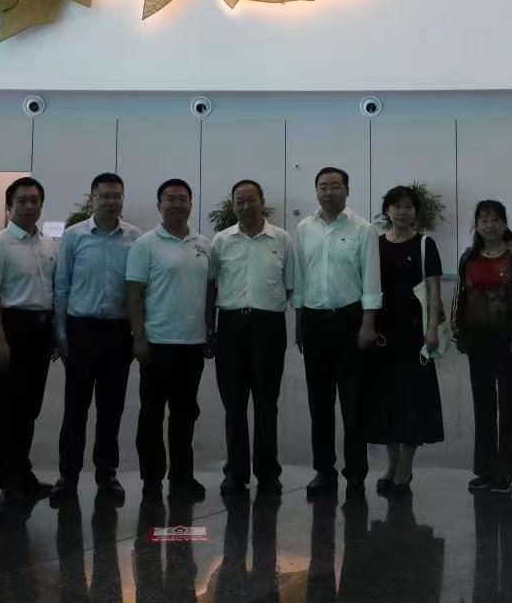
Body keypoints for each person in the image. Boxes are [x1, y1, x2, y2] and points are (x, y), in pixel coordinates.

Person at [291, 166, 381, 500]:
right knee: (320, 402)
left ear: (347, 190)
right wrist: (299, 321)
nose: (328, 192)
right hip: (314, 321)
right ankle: (324, 470)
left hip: (350, 321)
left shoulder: (363, 230)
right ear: (316, 190)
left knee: (354, 403)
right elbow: (300, 277)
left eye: (335, 186)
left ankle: (356, 474)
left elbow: (371, 279)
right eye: (322, 186)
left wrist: (368, 323)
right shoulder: (304, 228)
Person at [52, 172, 139, 503]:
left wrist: (136, 332)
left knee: (111, 408)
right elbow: (62, 286)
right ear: (92, 199)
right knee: (75, 408)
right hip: (81, 331)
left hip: (118, 332)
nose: (112, 201)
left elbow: (138, 290)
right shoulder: (74, 236)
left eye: (117, 196)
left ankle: (107, 474)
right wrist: (61, 333)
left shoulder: (134, 237)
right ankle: (67, 476)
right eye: (105, 196)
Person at [126, 178, 213, 501]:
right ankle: (151, 479)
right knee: (151, 414)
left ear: (191, 203)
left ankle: (181, 477)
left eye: (182, 198)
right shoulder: (145, 244)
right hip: (157, 344)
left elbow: (210, 291)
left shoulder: (203, 244)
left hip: (192, 344)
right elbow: (133, 294)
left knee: (185, 415)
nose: (177, 204)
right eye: (170, 198)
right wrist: (139, 337)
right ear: (159, 205)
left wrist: (209, 329)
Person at [207, 179, 295, 497]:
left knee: (266, 404)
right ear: (233, 205)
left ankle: (268, 473)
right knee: (234, 405)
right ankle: (235, 472)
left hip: (268, 328)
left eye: (250, 200)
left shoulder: (282, 239)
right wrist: (210, 328)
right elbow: (211, 286)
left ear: (262, 201)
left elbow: (290, 286)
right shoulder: (221, 241)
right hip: (230, 327)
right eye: (239, 202)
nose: (245, 206)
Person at [0, 175, 59, 503]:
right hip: (10, 330)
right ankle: (5, 479)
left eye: (34, 200)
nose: (28, 206)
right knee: (7, 408)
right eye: (22, 200)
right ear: (9, 206)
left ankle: (23, 473)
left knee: (29, 407)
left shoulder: (48, 243)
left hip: (40, 332)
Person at [453, 199, 512, 495]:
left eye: (495, 220)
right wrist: (458, 333)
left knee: (509, 408)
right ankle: (486, 469)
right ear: (477, 225)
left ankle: (506, 471)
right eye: (484, 220)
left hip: (510, 345)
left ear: (504, 223)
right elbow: (460, 297)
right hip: (478, 344)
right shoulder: (469, 256)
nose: (490, 225)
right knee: (483, 407)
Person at [365, 185, 444, 495]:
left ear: (416, 212)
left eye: (409, 206)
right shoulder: (376, 244)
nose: (402, 211)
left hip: (414, 335)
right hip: (383, 336)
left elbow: (434, 289)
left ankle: (406, 467)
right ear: (387, 211)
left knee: (412, 402)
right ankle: (391, 463)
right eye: (397, 206)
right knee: (387, 403)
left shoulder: (425, 244)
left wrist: (433, 328)